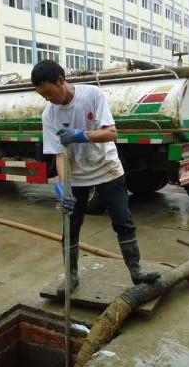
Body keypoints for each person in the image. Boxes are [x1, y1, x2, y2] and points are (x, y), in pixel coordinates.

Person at [31, 59, 161, 295]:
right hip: (77, 176)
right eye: (43, 96)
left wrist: (81, 135)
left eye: (49, 93)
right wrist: (63, 187)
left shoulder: (92, 95)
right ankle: (71, 277)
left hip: (107, 169)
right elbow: (59, 155)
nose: (48, 99)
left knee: (123, 221)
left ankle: (136, 270)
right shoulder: (49, 114)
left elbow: (111, 133)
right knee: (70, 228)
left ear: (61, 81)